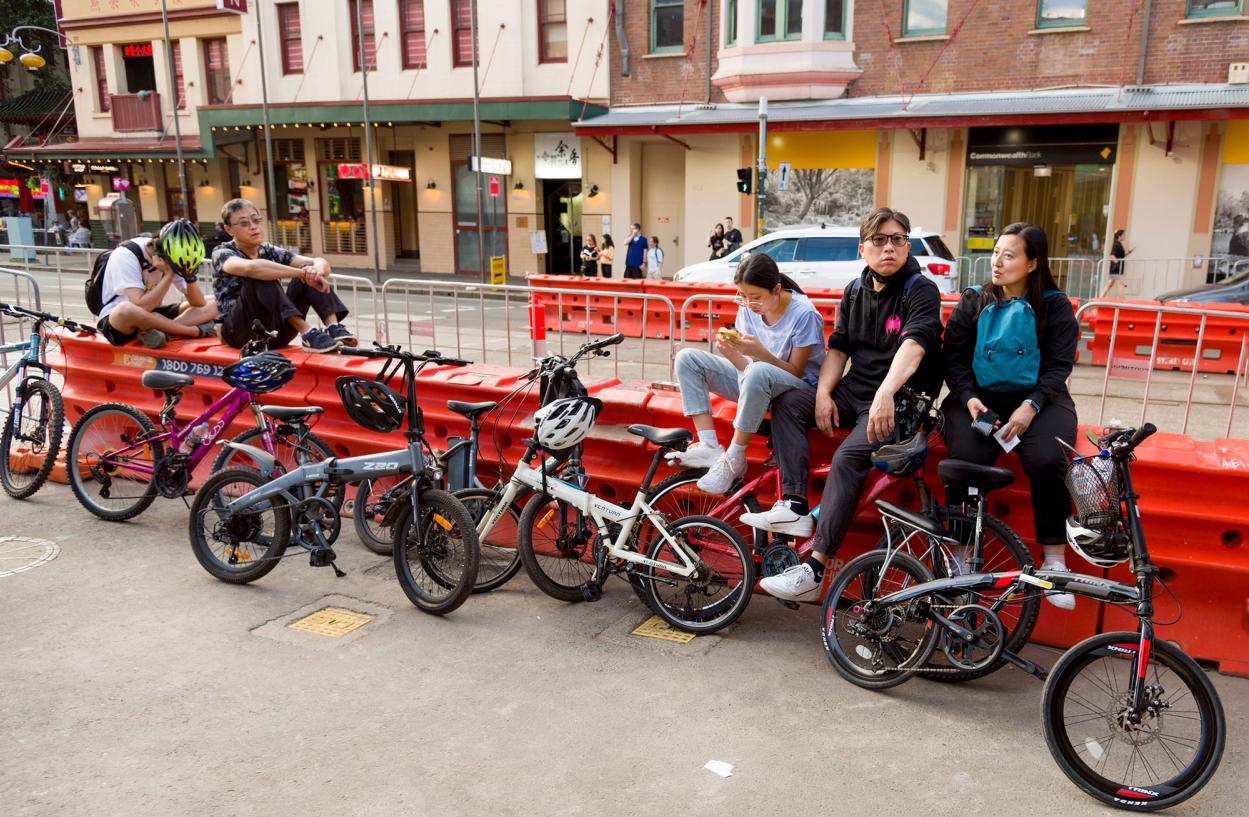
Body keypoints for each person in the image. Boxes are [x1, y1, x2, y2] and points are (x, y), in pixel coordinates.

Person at [746, 207, 944, 603]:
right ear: (863, 248)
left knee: (848, 458)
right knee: (788, 400)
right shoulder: (855, 290)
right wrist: (821, 393)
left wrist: (887, 392)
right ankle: (796, 504)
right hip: (854, 390)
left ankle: (814, 567)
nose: (890, 247)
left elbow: (915, 345)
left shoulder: (919, 289)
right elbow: (839, 347)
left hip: (899, 399)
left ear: (906, 245)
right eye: (880, 240)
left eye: (898, 239)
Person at [942, 222, 1080, 609]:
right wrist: (968, 398)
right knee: (965, 459)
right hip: (978, 398)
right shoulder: (973, 300)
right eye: (995, 253)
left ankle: (1054, 560)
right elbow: (952, 357)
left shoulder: (1054, 306)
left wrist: (1031, 405)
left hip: (1041, 398)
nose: (997, 262)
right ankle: (961, 552)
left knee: (1048, 458)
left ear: (1033, 263)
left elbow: (1059, 365)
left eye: (1009, 254)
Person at [670, 253, 826, 494]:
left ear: (776, 289)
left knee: (759, 370)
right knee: (687, 359)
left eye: (755, 297)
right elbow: (747, 367)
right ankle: (709, 444)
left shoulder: (804, 313)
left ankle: (735, 455)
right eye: (742, 296)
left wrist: (760, 353)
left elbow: (795, 371)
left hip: (798, 389)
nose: (748, 303)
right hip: (758, 379)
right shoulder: (748, 308)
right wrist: (732, 353)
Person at [212, 198, 355, 353]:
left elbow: (320, 262)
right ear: (229, 230)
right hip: (240, 333)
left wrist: (315, 271)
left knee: (307, 269)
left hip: (276, 331)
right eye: (244, 223)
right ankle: (307, 332)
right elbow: (251, 268)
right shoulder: (222, 252)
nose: (253, 227)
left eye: (256, 221)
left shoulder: (268, 250)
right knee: (261, 274)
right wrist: (302, 273)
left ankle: (334, 327)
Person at [95, 219, 219, 348]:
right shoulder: (126, 255)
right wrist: (169, 274)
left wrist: (189, 277)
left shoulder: (174, 256)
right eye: (173, 264)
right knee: (125, 309)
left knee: (216, 301)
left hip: (152, 314)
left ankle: (162, 331)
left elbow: (198, 303)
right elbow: (141, 307)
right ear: (160, 253)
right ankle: (193, 331)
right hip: (118, 321)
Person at [1099, 228, 1132, 299]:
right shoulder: (1116, 244)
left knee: (1110, 284)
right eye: (1124, 235)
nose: (1125, 236)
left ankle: (1100, 298)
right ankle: (1122, 300)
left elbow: (1120, 256)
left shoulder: (1119, 244)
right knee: (1120, 284)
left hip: (1117, 268)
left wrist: (1127, 253)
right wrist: (1116, 262)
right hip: (1116, 268)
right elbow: (1112, 255)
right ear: (1119, 236)